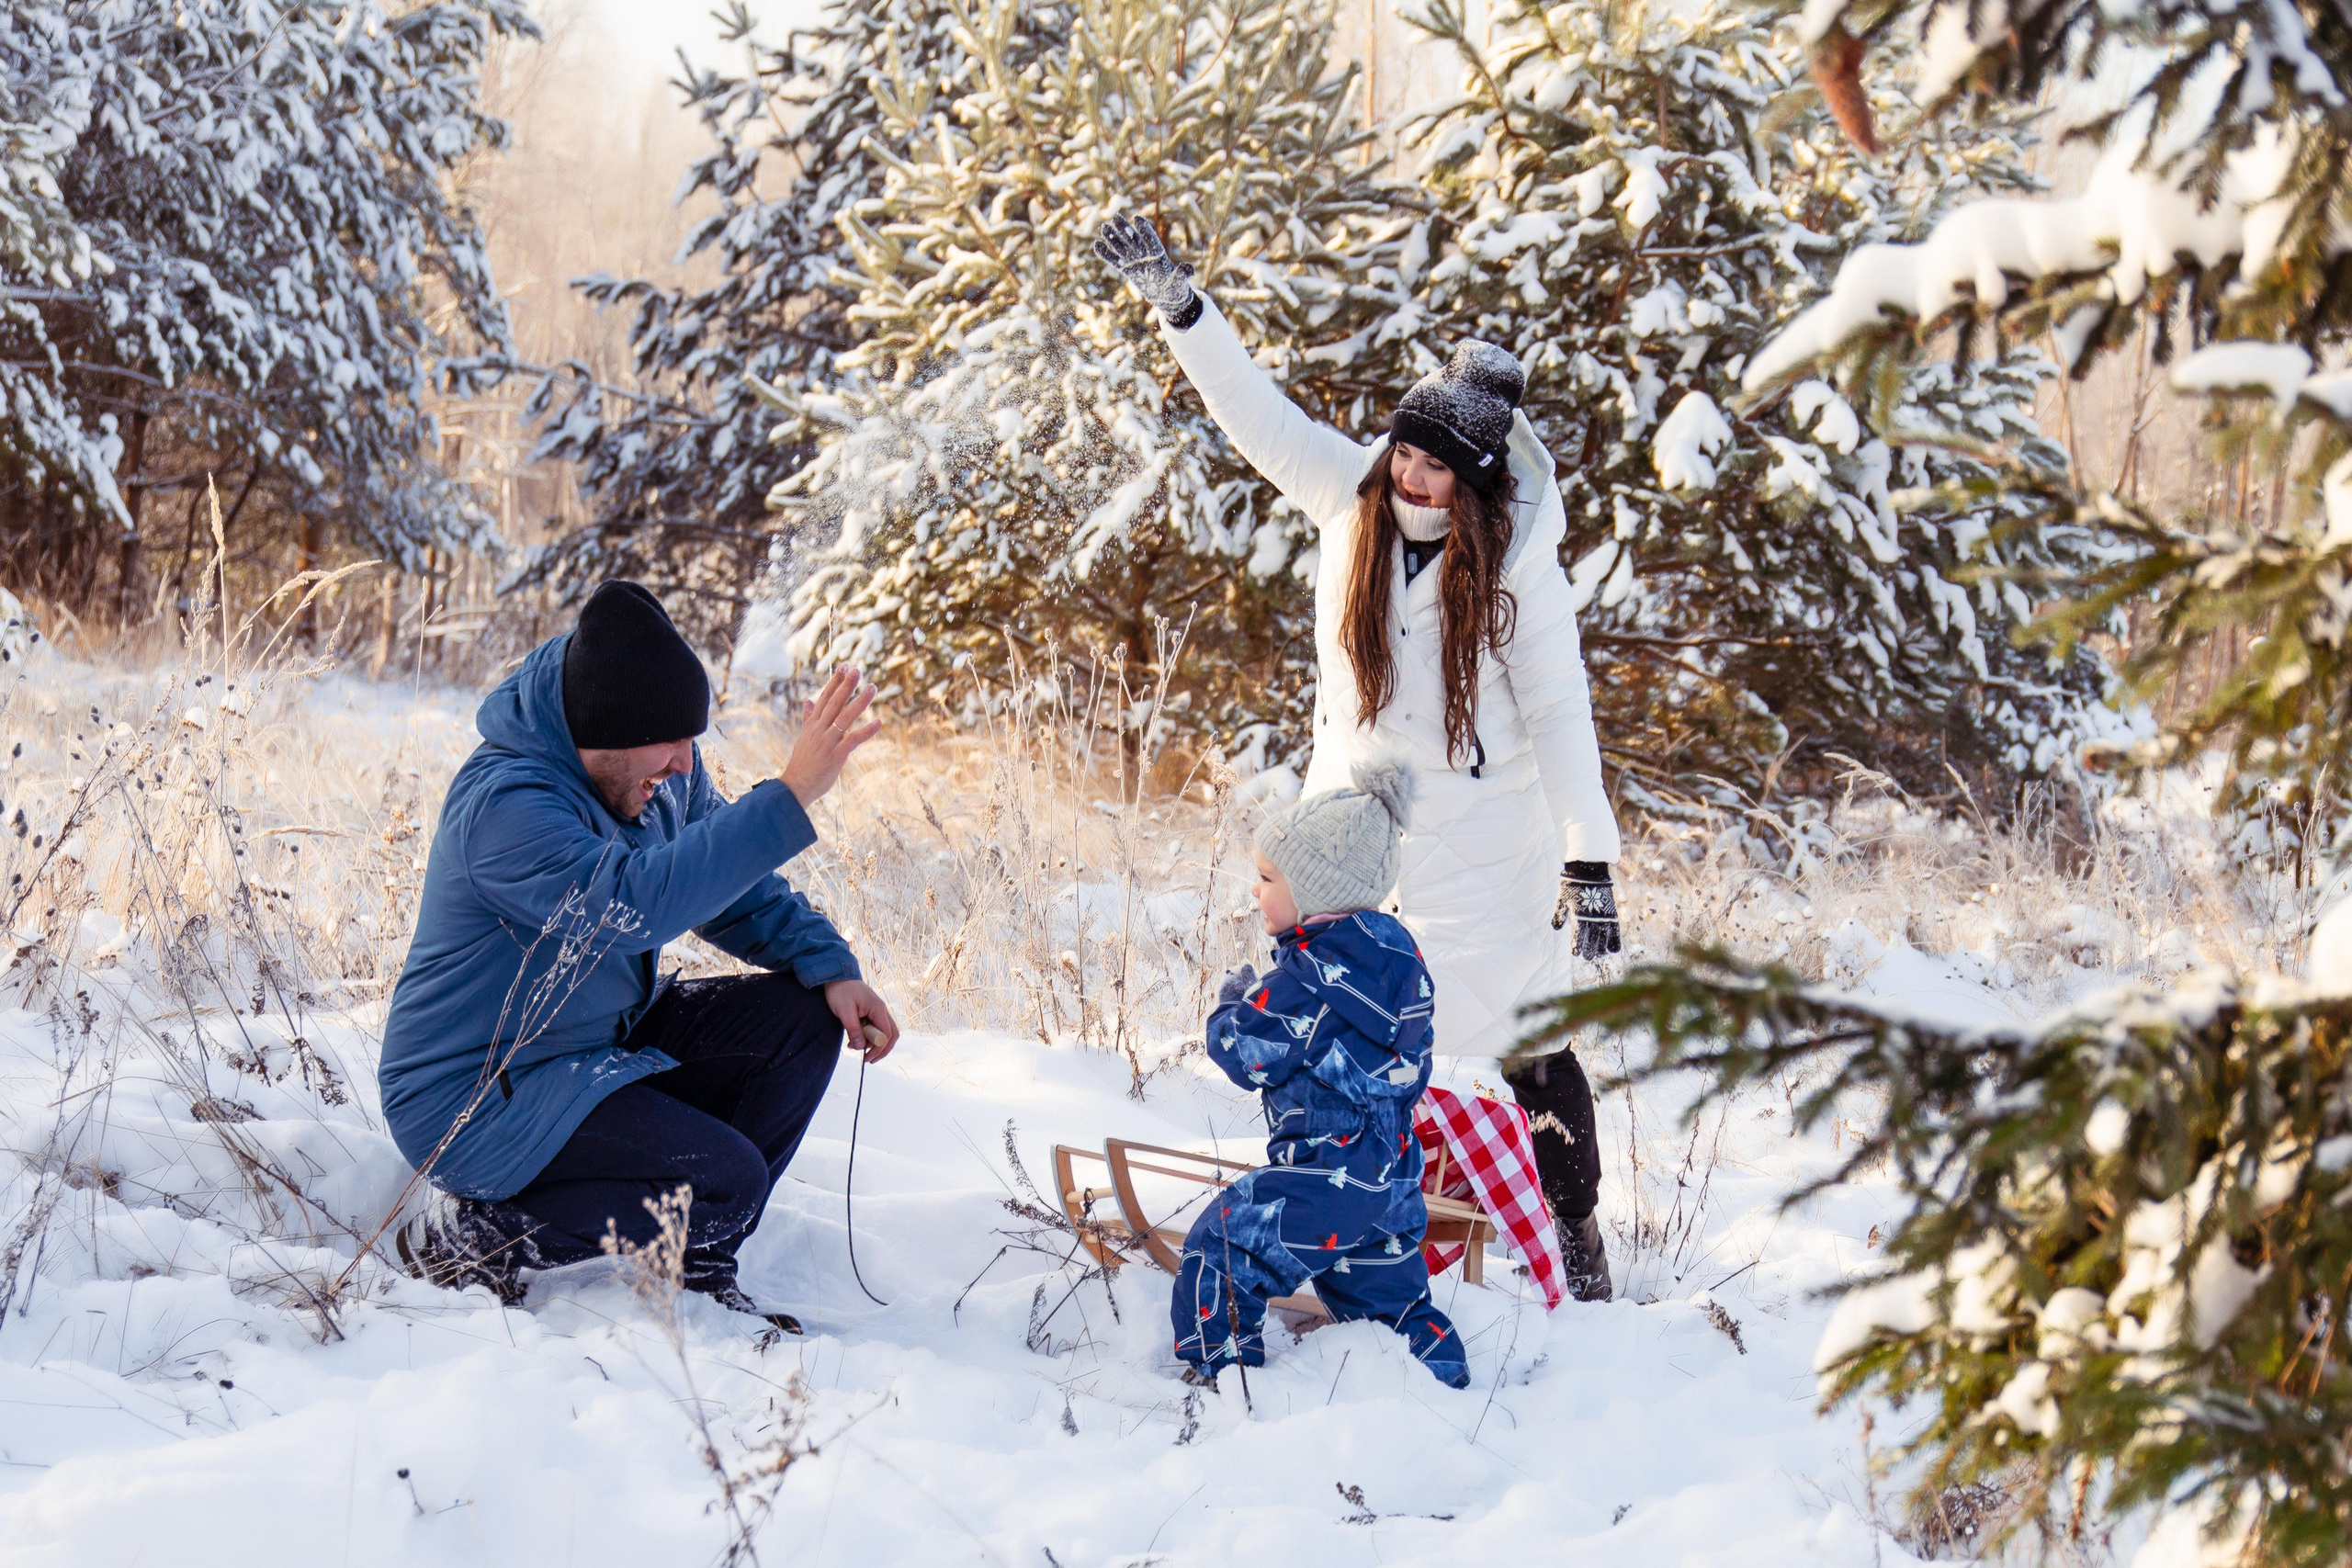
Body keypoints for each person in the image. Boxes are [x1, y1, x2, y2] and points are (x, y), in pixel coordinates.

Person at [1096, 215, 1621, 1301]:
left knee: (1525, 1042)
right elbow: (1257, 416)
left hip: (1486, 837)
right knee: (1340, 1017)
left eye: (1435, 468)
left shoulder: (1520, 570)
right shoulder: (1352, 497)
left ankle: (1576, 1232)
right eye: (1405, 453)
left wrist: (1590, 857)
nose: (1411, 476)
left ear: (1475, 485)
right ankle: (1343, 1205)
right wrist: (1181, 310)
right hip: (1355, 828)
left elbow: (1564, 715)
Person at [379, 581, 899, 1331]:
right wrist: (789, 793)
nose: (687, 765)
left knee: (801, 1016)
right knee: (723, 1182)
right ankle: (470, 1239)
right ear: (609, 735)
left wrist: (833, 965)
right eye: (671, 744)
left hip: (590, 1052)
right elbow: (633, 905)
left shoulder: (647, 778)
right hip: (477, 1096)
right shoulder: (506, 806)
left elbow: (728, 886)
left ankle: (699, 1268)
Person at [1176, 763, 1468, 1390]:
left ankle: (1219, 1377)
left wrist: (1236, 999)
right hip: (1391, 1170)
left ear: (1315, 891)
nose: (1255, 892)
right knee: (1388, 1298)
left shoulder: (1309, 979)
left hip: (1324, 1170)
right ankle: (1442, 1380)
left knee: (1227, 1247)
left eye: (1266, 878)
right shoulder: (1398, 966)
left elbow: (1242, 1052)